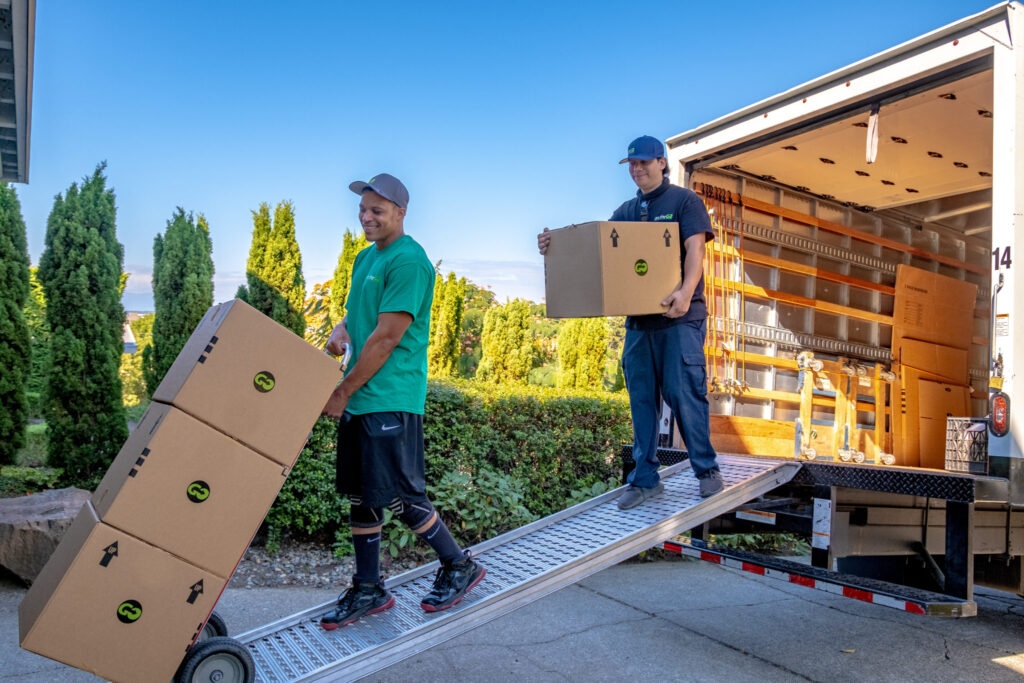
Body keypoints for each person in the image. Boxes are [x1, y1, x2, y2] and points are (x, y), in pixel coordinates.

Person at [320, 173, 485, 629]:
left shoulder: (409, 261)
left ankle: (459, 565)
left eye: (377, 210)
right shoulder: (365, 259)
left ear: (400, 212)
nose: (367, 217)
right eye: (363, 209)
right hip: (362, 399)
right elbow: (361, 316)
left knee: (400, 496)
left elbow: (388, 336)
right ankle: (369, 588)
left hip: (389, 397)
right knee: (363, 497)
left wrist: (342, 390)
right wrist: (340, 327)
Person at [538, 135, 722, 508]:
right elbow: (602, 255)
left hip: (679, 319)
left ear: (662, 163)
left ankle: (706, 470)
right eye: (632, 165)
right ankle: (644, 480)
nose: (637, 170)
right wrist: (552, 246)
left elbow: (695, 248)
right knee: (641, 400)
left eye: (644, 163)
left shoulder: (685, 202)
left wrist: (686, 292)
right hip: (640, 323)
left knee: (683, 394)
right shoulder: (624, 211)